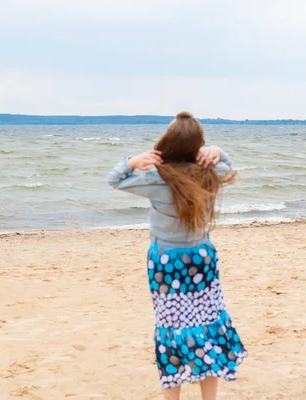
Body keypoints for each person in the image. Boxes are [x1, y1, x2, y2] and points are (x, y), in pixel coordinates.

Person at [107, 112, 247, 400]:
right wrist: (219, 152)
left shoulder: (157, 178)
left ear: (167, 143)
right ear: (198, 146)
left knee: (171, 327)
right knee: (208, 326)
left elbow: (114, 180)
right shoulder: (211, 174)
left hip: (166, 262)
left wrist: (132, 161)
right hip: (201, 258)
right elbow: (229, 167)